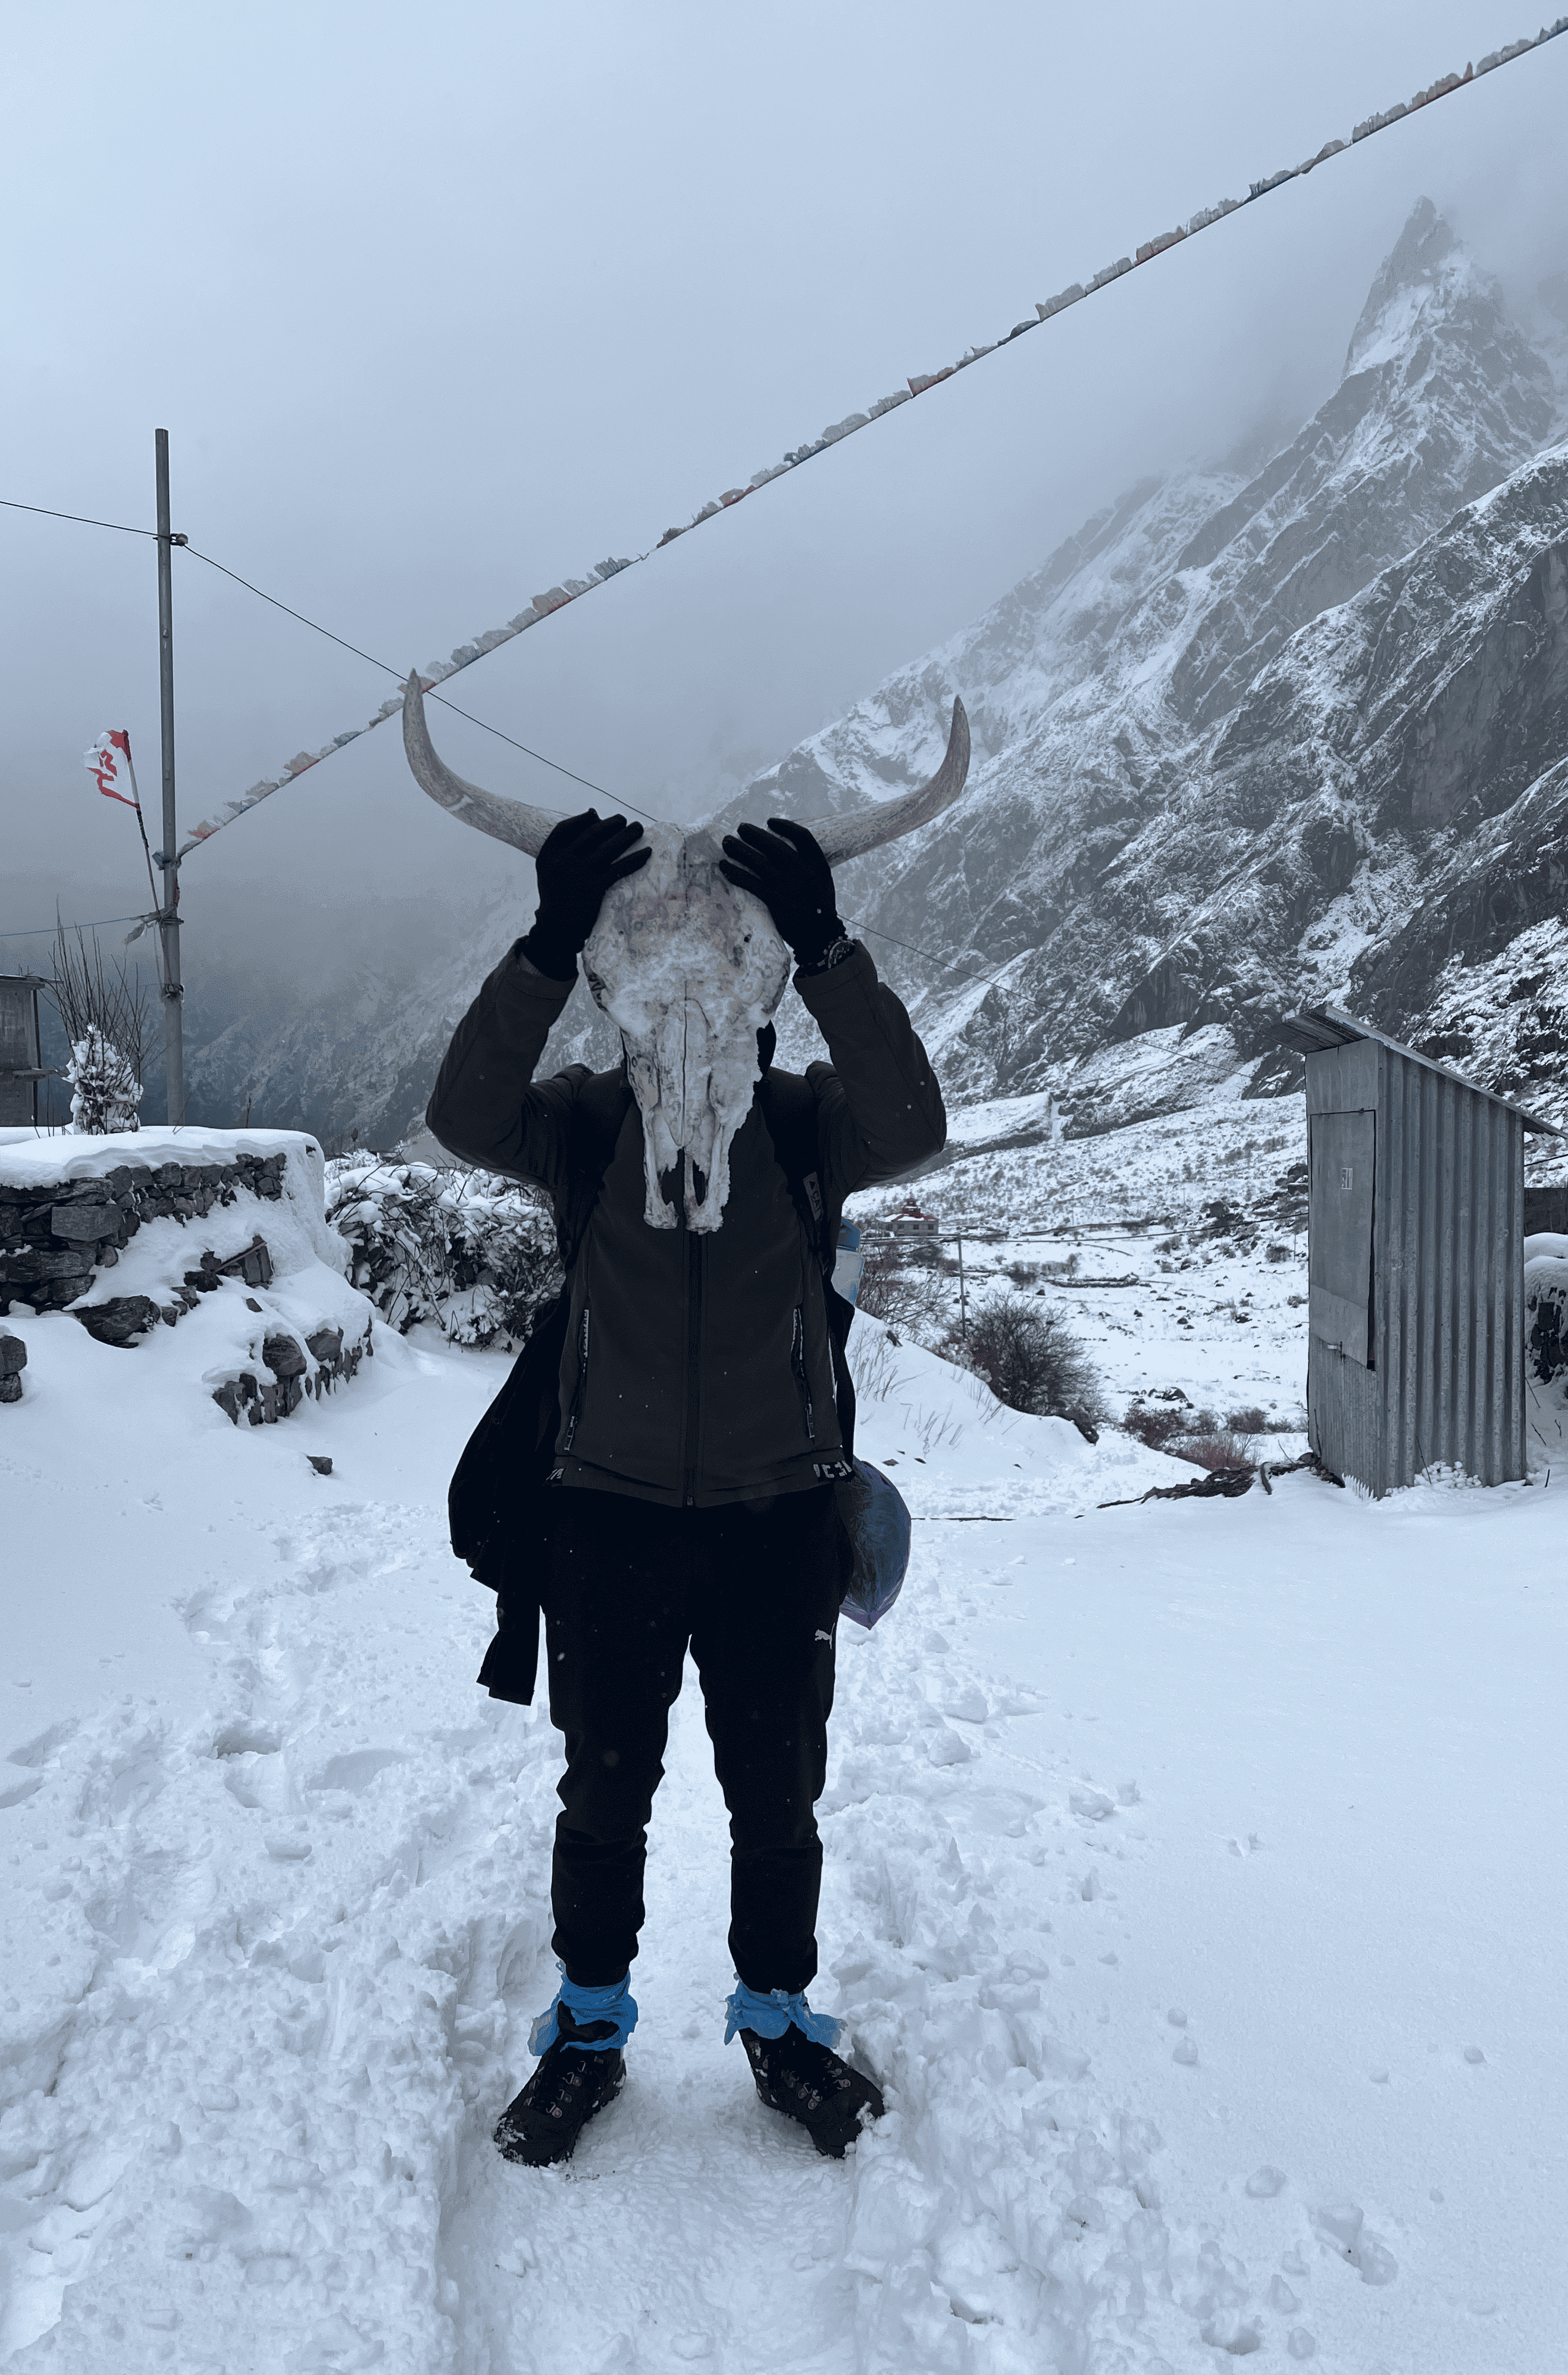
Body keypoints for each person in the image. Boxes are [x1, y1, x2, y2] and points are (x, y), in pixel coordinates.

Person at [426, 806, 946, 2164]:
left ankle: (778, 2023)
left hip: (777, 1522)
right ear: (625, 994)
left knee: (777, 1800)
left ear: (761, 993)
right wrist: (545, 947)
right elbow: (462, 1116)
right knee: (604, 1797)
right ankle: (588, 2031)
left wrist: (831, 950)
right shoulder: (591, 1122)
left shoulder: (807, 1124)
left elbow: (914, 1124)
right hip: (607, 1517)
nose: (695, 1010)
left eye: (732, 974)